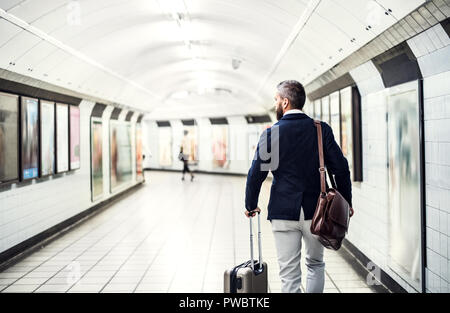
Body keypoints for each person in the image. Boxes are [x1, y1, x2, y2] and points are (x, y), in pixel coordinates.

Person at [244, 80, 352, 293]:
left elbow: (256, 173)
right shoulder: (321, 130)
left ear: (285, 102)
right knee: (315, 264)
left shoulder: (271, 133)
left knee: (289, 274)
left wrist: (251, 204)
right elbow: (341, 168)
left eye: (276, 100)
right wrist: (346, 201)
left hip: (283, 212)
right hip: (318, 212)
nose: (275, 104)